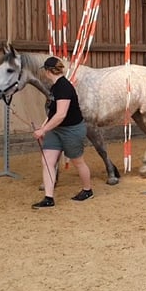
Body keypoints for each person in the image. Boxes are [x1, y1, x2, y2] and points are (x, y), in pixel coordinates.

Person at [31, 56, 94, 209]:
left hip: (71, 130)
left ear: (47, 71)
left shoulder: (63, 87)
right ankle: (48, 197)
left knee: (78, 162)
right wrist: (43, 127)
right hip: (56, 129)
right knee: (47, 162)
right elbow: (52, 113)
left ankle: (87, 189)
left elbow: (61, 115)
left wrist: (43, 130)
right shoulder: (55, 86)